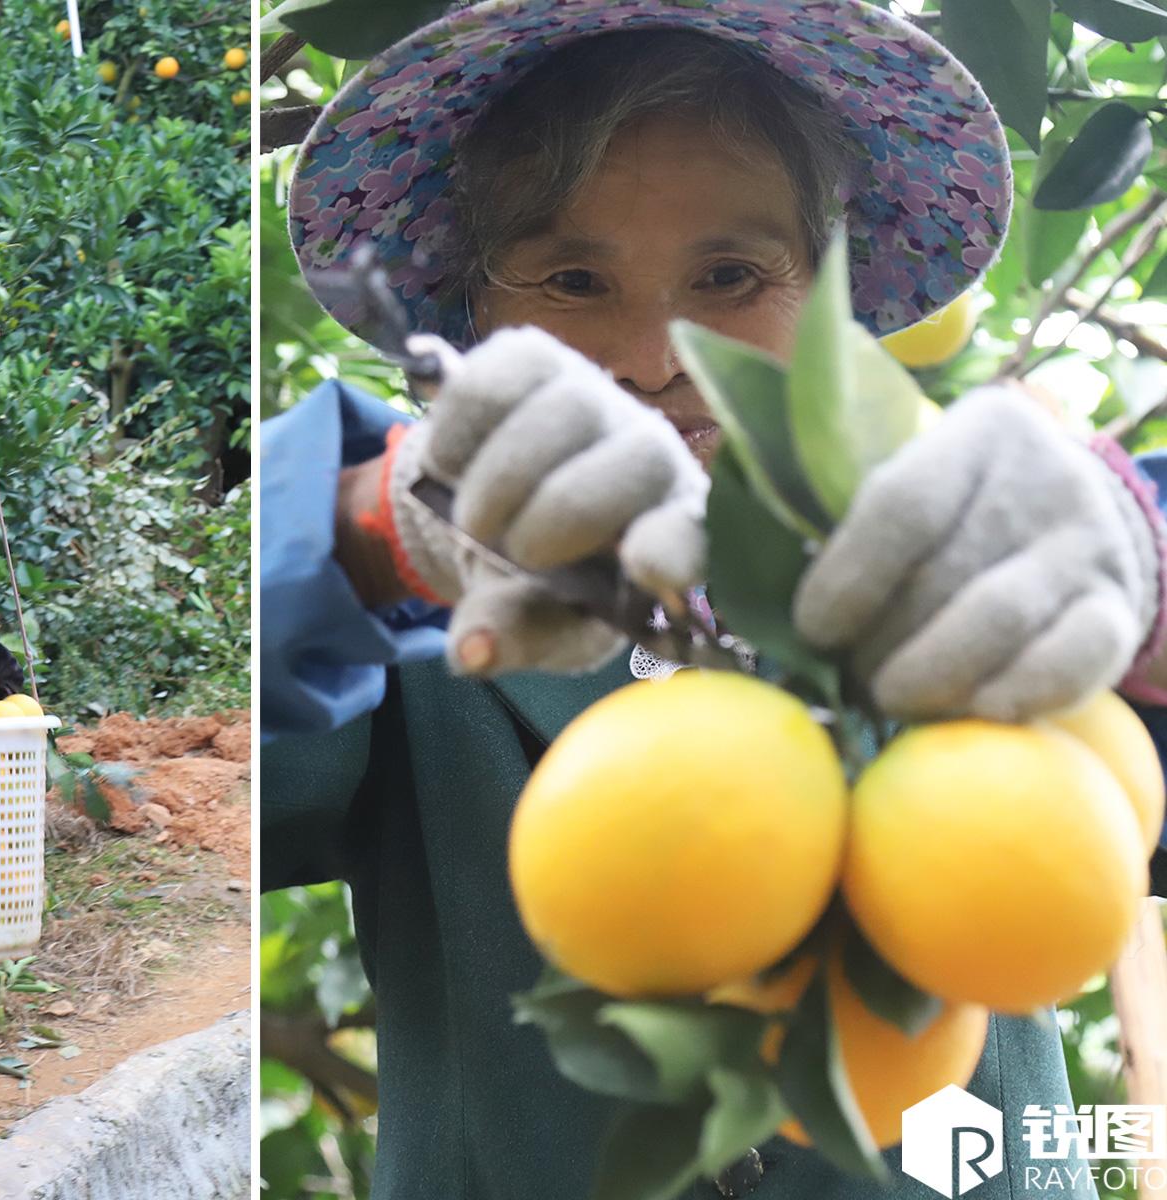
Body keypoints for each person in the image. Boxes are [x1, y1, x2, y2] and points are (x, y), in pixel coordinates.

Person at [261, 3, 1167, 1197]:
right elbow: (240, 775)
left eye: (732, 275)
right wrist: (365, 535)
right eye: (573, 279)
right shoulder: (408, 636)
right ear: (475, 327)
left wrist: (1133, 551)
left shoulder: (972, 573)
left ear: (834, 311)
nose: (651, 354)